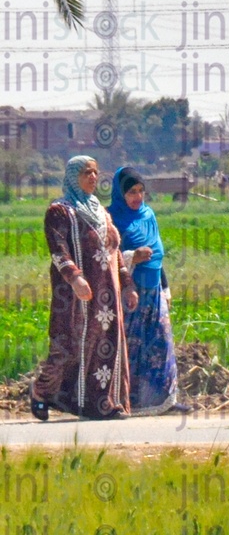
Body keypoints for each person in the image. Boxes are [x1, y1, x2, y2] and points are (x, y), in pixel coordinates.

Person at [30, 156, 137, 421]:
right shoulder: (60, 210)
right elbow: (58, 250)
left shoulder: (102, 211)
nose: (92, 177)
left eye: (95, 172)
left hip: (106, 295)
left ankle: (101, 404)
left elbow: (116, 252)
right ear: (72, 176)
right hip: (74, 295)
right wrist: (75, 278)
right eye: (86, 172)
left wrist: (127, 285)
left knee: (105, 344)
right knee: (68, 346)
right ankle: (42, 392)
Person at [108, 166, 188, 415]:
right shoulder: (110, 219)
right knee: (133, 347)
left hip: (154, 291)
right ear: (120, 193)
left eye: (141, 191)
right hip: (128, 293)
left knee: (161, 345)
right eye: (131, 192)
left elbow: (157, 254)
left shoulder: (148, 215)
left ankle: (164, 401)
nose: (137, 197)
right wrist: (133, 257)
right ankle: (130, 401)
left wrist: (166, 289)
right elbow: (106, 257)